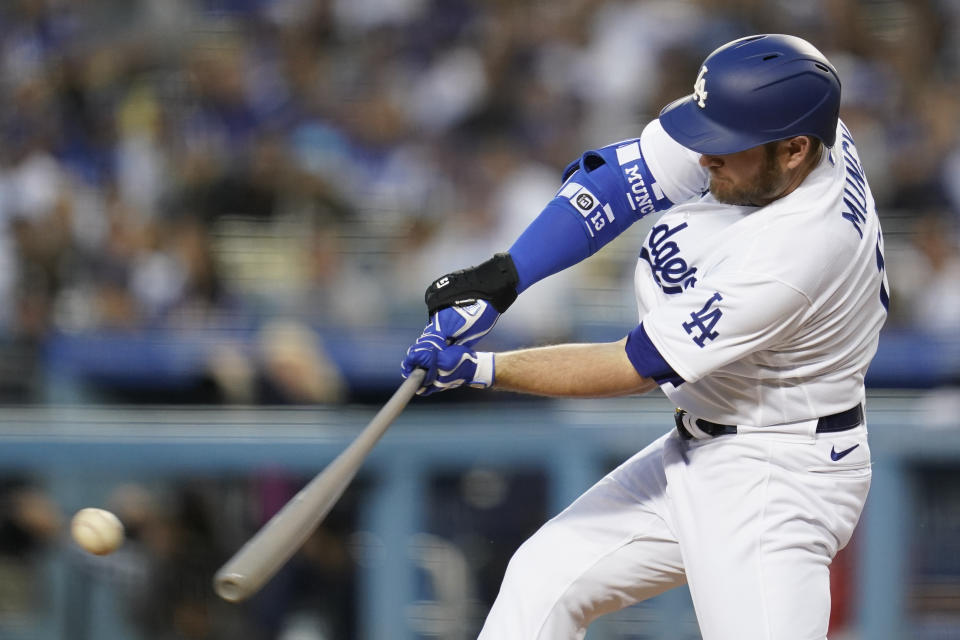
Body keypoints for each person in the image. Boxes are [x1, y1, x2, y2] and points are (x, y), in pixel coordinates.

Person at [401, 34, 888, 640]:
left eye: (725, 148)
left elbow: (630, 364)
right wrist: (504, 278)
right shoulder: (798, 128)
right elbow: (622, 180)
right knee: (543, 580)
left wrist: (482, 369)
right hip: (704, 443)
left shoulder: (798, 250)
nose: (706, 157)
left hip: (776, 478)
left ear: (793, 151)